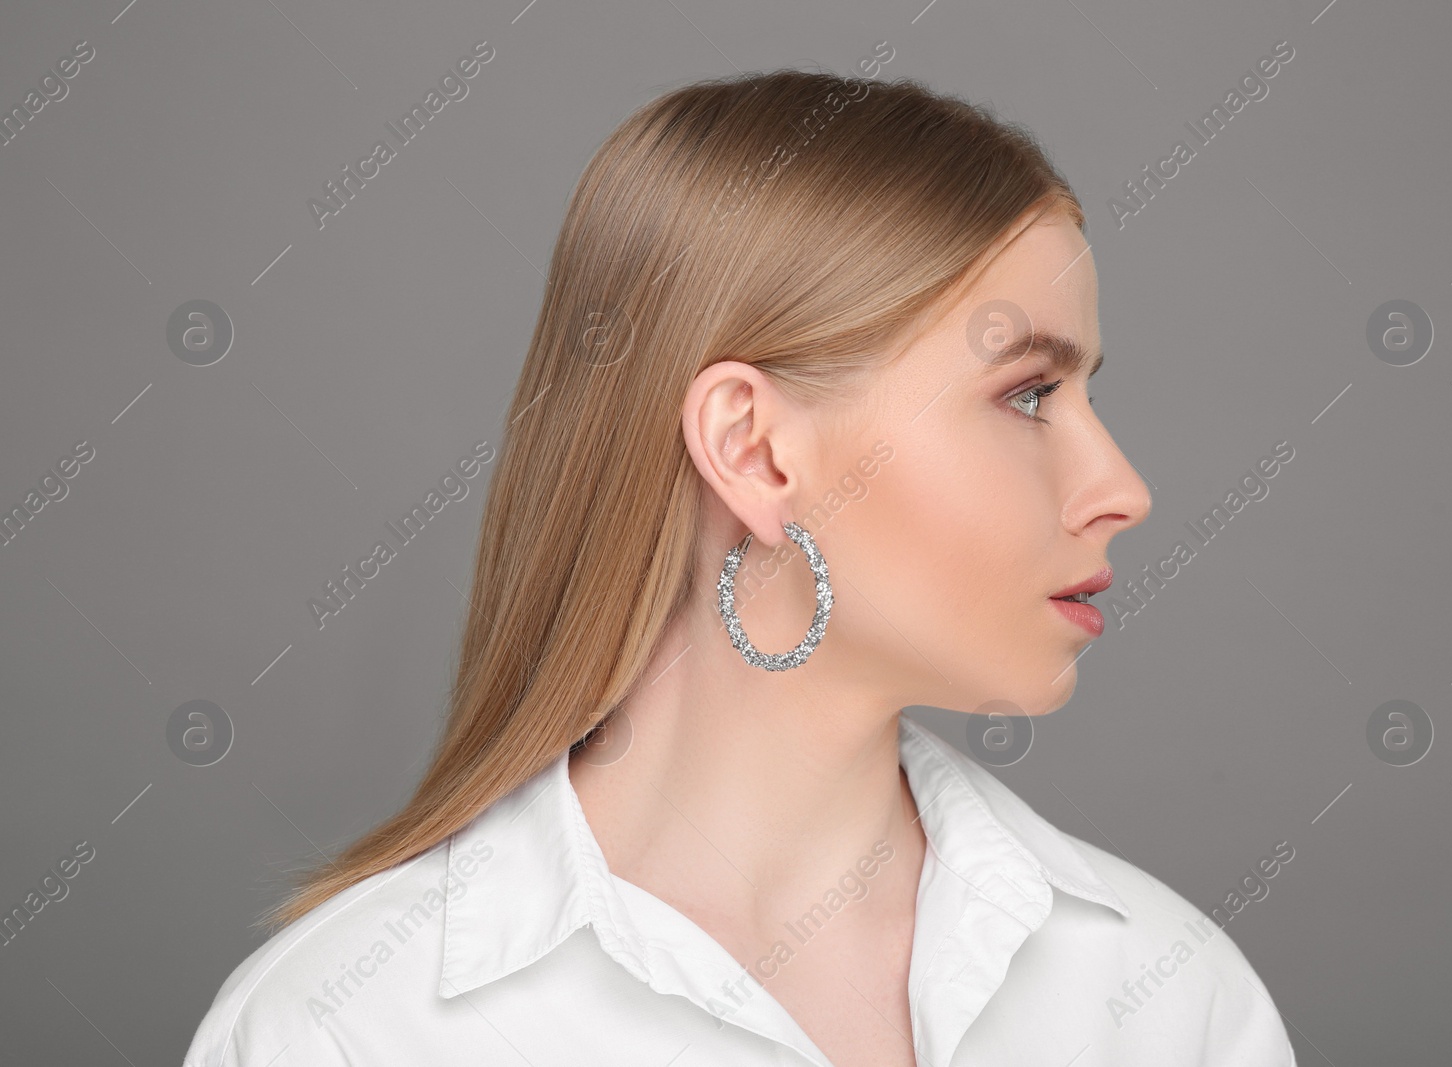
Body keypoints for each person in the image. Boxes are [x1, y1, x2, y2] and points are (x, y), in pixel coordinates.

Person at [184, 68, 1297, 1066]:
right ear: (753, 450)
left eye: (1085, 392)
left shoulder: (1163, 997)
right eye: (1026, 393)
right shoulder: (345, 1030)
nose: (1122, 487)